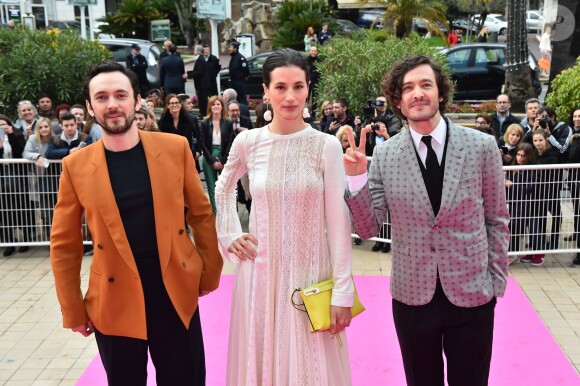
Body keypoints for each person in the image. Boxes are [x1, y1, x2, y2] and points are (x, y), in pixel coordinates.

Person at [50, 61, 223, 385]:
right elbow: (64, 243)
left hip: (174, 295)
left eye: (120, 94)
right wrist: (72, 308)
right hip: (113, 302)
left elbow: (200, 213)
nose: (112, 104)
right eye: (101, 97)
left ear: (137, 100)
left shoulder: (174, 148)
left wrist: (209, 272)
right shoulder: (76, 166)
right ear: (89, 106)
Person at [343, 54, 509, 386]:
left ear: (440, 94)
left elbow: (497, 219)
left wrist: (495, 281)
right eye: (408, 88)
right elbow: (368, 228)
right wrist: (357, 180)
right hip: (412, 297)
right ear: (398, 102)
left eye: (425, 85)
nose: (417, 93)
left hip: (472, 294)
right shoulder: (387, 156)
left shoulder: (481, 146)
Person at [215, 48, 355, 386]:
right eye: (280, 87)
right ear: (265, 91)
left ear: (308, 89)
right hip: (260, 276)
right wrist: (231, 235)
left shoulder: (326, 146)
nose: (289, 96)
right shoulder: (248, 141)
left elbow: (339, 222)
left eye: (298, 86)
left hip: (310, 277)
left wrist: (343, 292)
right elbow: (223, 188)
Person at [527, 128, 563, 265]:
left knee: (556, 216)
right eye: (535, 141)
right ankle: (538, 245)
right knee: (539, 218)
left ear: (546, 140)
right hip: (537, 193)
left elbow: (555, 174)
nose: (538, 143)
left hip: (551, 191)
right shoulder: (534, 154)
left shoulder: (553, 155)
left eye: (540, 140)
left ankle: (553, 242)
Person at [0, 114, 30, 257]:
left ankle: (26, 240)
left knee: (21, 209)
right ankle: (9, 242)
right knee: (5, 213)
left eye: (3, 125)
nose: (2, 128)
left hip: (18, 180)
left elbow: (20, 153)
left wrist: (11, 135)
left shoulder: (16, 135)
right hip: (2, 182)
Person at [23, 117, 58, 238]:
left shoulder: (55, 138)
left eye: (46, 126)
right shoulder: (33, 138)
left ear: (50, 128)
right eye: (41, 127)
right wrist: (37, 156)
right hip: (40, 176)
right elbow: (25, 153)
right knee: (46, 208)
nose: (44, 129)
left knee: (58, 207)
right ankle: (49, 234)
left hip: (55, 176)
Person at [199, 96, 234, 213]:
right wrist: (212, 161)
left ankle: (227, 214)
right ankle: (217, 215)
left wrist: (224, 160)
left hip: (224, 155)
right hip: (209, 156)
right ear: (210, 107)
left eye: (218, 104)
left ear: (222, 107)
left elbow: (230, 142)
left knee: (225, 187)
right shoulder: (204, 123)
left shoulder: (228, 123)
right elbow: (202, 143)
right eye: (213, 104)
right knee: (212, 189)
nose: (216, 106)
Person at [504, 143, 536, 255]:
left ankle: (513, 254)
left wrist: (512, 185)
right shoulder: (512, 166)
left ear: (529, 156)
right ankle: (512, 253)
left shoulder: (531, 169)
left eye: (524, 156)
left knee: (515, 228)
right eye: (518, 155)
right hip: (511, 203)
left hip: (524, 206)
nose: (520, 158)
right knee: (509, 228)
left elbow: (529, 188)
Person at [566, 107, 580, 265]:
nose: (577, 119)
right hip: (574, 179)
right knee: (576, 211)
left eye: (579, 116)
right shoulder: (572, 135)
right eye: (575, 116)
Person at [191, 45, 212, 117]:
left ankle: (203, 113)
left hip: (202, 84)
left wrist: (189, 75)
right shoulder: (200, 58)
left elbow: (199, 72)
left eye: (194, 49)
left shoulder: (200, 59)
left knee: (203, 100)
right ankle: (203, 112)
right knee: (202, 99)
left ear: (197, 51)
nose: (194, 51)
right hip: (203, 84)